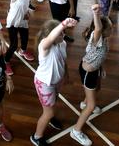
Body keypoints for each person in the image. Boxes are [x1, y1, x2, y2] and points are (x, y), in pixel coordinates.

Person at [30, 18, 77, 146]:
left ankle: (50, 118)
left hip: (56, 82)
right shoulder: (44, 46)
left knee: (53, 102)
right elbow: (50, 39)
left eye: (64, 32)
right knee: (48, 112)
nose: (64, 35)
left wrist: (65, 75)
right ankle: (36, 137)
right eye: (61, 33)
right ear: (52, 35)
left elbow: (63, 60)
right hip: (44, 84)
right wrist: (63, 24)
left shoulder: (62, 44)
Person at [70, 4, 111, 146]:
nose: (112, 29)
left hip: (95, 69)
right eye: (110, 27)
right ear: (103, 30)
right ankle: (76, 130)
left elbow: (101, 55)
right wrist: (96, 13)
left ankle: (84, 102)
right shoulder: (96, 36)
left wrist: (101, 67)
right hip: (88, 72)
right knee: (92, 106)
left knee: (97, 88)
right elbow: (98, 27)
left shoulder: (104, 39)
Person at [4, 0, 35, 76]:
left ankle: (23, 51)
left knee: (25, 37)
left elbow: (25, 6)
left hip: (22, 21)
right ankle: (6, 61)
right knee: (13, 45)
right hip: (13, 23)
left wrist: (26, 13)